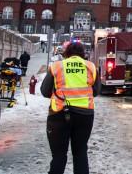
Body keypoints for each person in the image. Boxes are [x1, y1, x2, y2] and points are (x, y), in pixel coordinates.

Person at [41, 41, 99, 174]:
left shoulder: (56, 67)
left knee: (59, 156)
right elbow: (96, 91)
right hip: (85, 115)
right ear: (83, 54)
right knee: (80, 153)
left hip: (59, 114)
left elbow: (45, 91)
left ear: (66, 54)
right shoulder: (90, 67)